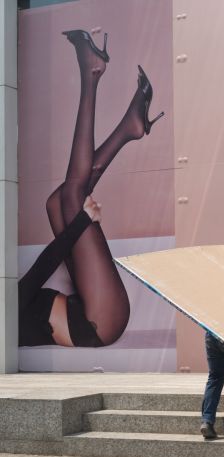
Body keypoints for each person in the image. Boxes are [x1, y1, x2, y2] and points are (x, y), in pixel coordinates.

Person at [20, 29, 163, 348]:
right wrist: (84, 219)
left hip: (89, 307)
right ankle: (91, 73)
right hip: (100, 320)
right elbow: (44, 266)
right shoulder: (4, 310)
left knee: (56, 202)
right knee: (72, 196)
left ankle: (130, 127)